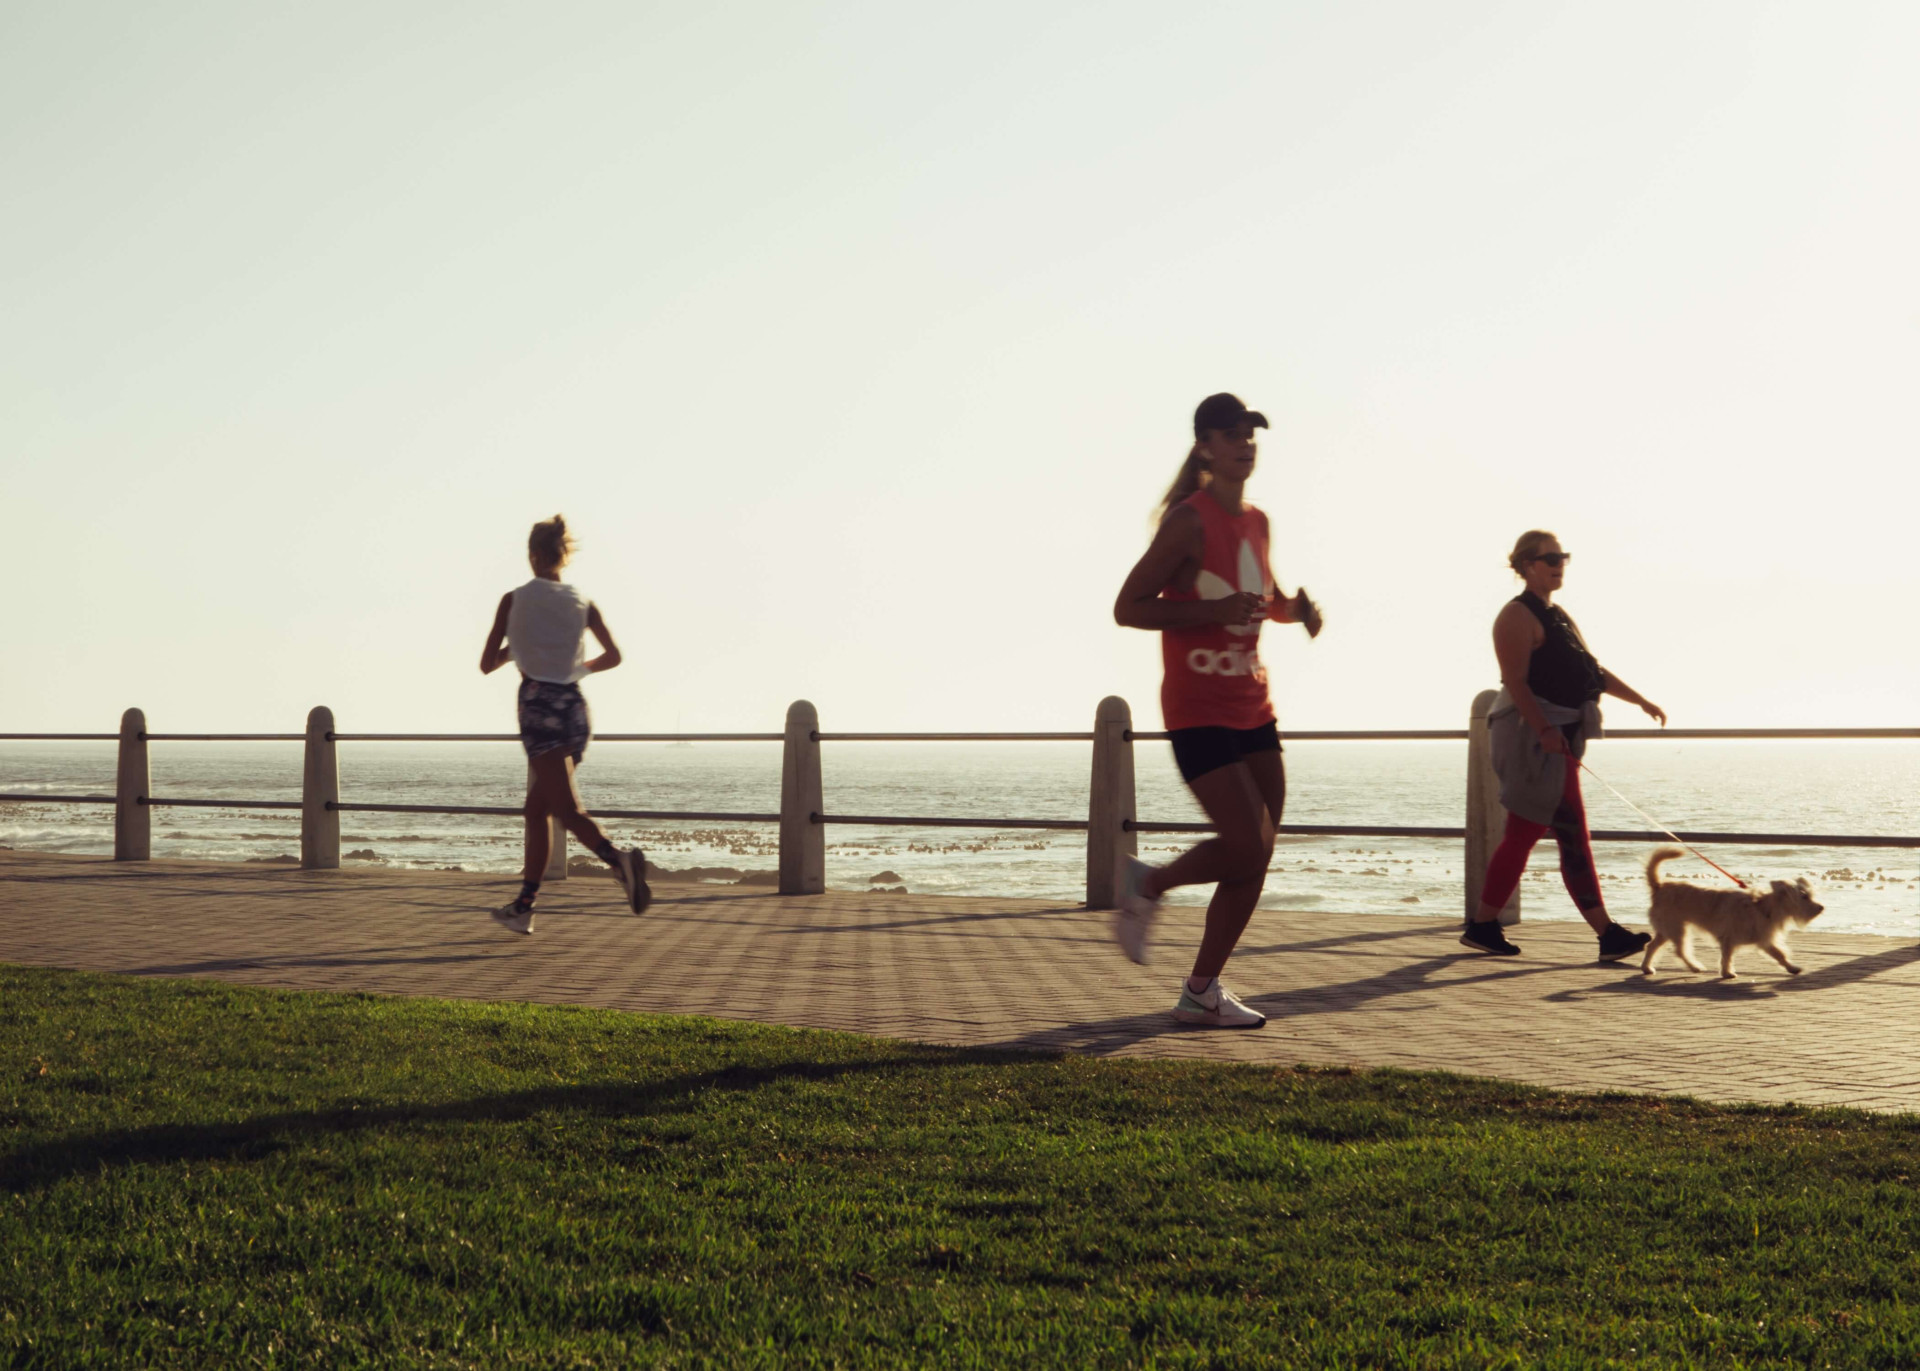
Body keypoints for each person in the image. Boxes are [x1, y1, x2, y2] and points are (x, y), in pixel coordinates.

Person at [1110, 393, 1322, 1028]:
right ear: (1204, 445)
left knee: (1257, 853)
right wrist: (1210, 610)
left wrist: (1296, 611)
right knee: (1242, 843)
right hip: (1197, 707)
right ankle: (1149, 885)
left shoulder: (1257, 521)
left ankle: (1202, 989)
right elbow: (1128, 607)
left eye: (1252, 435)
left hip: (1253, 704)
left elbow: (1263, 597)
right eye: (1232, 435)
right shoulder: (1188, 521)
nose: (1245, 444)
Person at [1464, 529, 1664, 958]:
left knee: (1522, 834)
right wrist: (1544, 731)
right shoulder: (1515, 616)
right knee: (1571, 833)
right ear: (1525, 566)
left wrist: (1640, 700)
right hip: (1531, 741)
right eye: (1549, 557)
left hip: (1556, 739)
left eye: (1563, 557)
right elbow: (1515, 683)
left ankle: (1482, 925)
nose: (1558, 565)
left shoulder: (1557, 615)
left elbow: (1591, 671)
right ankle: (1606, 934)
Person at [479, 515, 648, 934]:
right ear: (563, 557)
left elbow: (486, 664)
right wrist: (576, 669)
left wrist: (514, 651)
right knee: (537, 809)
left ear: (533, 555)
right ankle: (524, 906)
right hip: (574, 708)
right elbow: (613, 656)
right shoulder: (582, 603)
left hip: (539, 708)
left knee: (567, 809)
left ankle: (618, 861)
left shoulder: (512, 600)